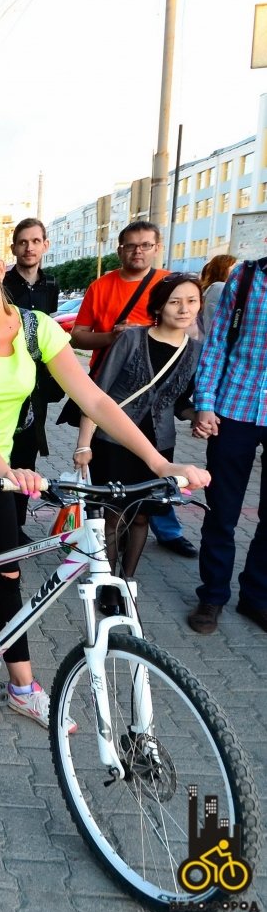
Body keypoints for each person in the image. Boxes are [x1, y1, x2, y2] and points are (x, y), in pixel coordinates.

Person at [0, 239, 208, 728]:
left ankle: (23, 688)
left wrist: (159, 464)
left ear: (0, 269)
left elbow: (96, 400)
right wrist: (4, 472)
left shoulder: (36, 327)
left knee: (7, 574)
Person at [73, 274, 203, 610]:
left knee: (143, 516)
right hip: (113, 441)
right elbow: (97, 392)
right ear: (159, 306)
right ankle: (108, 583)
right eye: (175, 301)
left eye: (191, 301)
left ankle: (127, 579)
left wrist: (199, 417)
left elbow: (179, 402)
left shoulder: (195, 350)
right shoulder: (132, 339)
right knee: (115, 515)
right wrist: (83, 443)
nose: (184, 308)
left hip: (160, 446)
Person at [70, 219, 196, 558]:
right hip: (113, 411)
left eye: (146, 245)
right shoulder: (102, 287)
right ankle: (108, 576)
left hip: (158, 429)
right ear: (120, 250)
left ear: (157, 247)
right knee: (113, 508)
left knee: (145, 508)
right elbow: (79, 339)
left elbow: (180, 395)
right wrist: (115, 336)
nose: (183, 308)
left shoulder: (173, 290)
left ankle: (141, 565)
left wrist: (200, 414)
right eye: (131, 245)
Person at [189, 257, 267, 635]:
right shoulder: (246, 276)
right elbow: (217, 341)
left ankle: (256, 594)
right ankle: (213, 595)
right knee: (222, 509)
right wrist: (204, 402)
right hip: (234, 404)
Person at [2, 218, 61, 542]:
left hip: (36, 386)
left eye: (35, 241)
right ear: (13, 247)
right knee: (1, 453)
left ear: (44, 245)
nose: (29, 247)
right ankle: (1, 522)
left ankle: (17, 525)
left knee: (27, 455)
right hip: (6, 379)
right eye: (23, 242)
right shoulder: (3, 283)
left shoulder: (50, 286)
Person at [199, 253, 237, 335]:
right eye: (234, 266)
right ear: (223, 269)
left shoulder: (214, 287)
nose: (238, 269)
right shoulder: (219, 287)